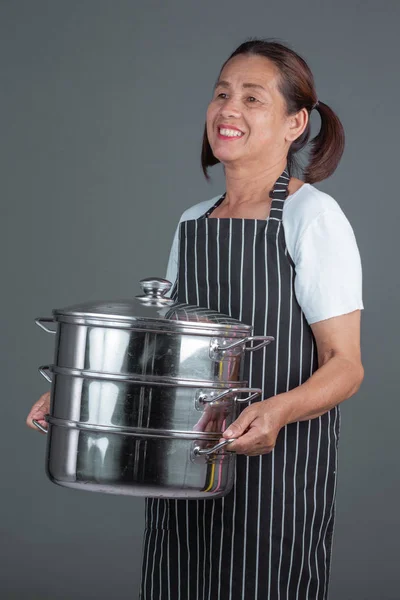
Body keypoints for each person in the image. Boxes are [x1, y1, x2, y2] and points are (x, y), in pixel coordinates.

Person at [27, 38, 364, 599]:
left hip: (275, 475)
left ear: (295, 123)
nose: (228, 110)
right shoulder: (193, 222)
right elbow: (167, 353)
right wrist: (77, 396)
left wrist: (275, 413)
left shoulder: (312, 215)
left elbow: (345, 366)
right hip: (181, 471)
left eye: (253, 99)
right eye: (221, 94)